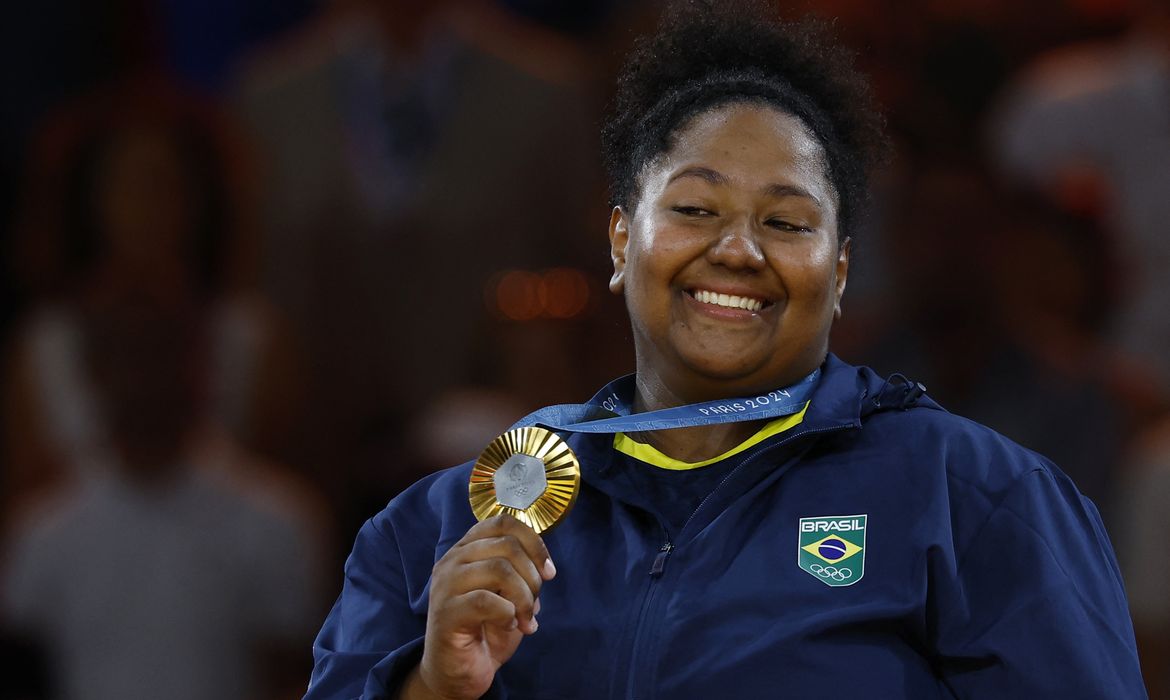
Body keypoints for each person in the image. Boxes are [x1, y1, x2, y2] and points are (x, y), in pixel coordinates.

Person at [304, 2, 1147, 698]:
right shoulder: (436, 531)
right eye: (696, 210)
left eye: (786, 222)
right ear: (619, 240)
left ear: (842, 269)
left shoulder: (974, 502)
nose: (738, 251)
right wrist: (430, 687)